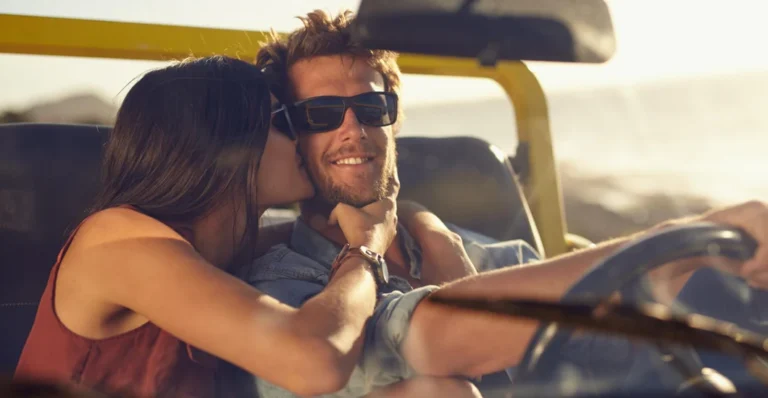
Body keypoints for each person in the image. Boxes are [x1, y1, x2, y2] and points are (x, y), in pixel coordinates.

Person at [243, 9, 768, 397]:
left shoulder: (494, 255)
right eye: (322, 114)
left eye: (371, 106)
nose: (352, 130)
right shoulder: (282, 293)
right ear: (290, 135)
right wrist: (677, 239)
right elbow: (417, 342)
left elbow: (608, 343)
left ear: (393, 118)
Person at [13, 55, 467, 398]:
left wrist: (422, 223)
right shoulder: (115, 240)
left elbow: (312, 229)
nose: (299, 138)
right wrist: (365, 249)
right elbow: (315, 361)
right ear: (227, 140)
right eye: (281, 122)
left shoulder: (221, 246)